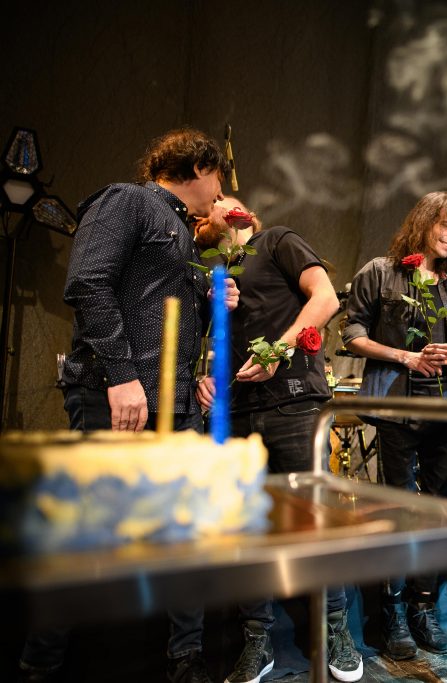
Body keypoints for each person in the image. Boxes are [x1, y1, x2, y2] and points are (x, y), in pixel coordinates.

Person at [21, 128, 236, 683]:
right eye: (218, 178)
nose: (221, 193)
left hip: (175, 407)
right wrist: (122, 377)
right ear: (197, 167)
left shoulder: (186, 236)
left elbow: (163, 316)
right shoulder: (128, 200)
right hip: (114, 396)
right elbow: (88, 284)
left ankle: (185, 656)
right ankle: (40, 662)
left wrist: (210, 300)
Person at [195, 198, 362, 682]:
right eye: (209, 204)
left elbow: (326, 299)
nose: (216, 203)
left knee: (314, 519)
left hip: (293, 403)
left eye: (224, 199)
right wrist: (202, 376)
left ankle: (335, 628)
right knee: (249, 527)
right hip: (237, 410)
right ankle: (256, 638)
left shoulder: (277, 240)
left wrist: (277, 351)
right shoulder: (211, 269)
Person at [342, 191, 447, 659]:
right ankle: (394, 610)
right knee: (397, 508)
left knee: (438, 508)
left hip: (444, 411)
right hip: (396, 408)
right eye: (445, 224)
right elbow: (353, 333)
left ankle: (423, 604)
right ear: (424, 222)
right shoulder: (381, 272)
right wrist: (405, 356)